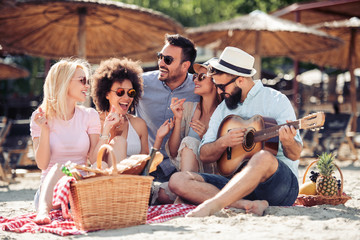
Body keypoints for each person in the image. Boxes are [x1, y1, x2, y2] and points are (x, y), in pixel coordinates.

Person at [169, 47, 303, 217]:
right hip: (236, 184)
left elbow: (295, 154)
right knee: (178, 180)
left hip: (278, 186)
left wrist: (288, 141)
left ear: (240, 80)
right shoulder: (223, 109)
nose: (218, 91)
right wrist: (223, 142)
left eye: (221, 86)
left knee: (262, 157)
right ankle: (245, 204)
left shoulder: (276, 100)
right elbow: (203, 154)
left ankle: (214, 204)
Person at [30, 58, 101, 224]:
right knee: (61, 167)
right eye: (82, 80)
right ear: (64, 82)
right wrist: (45, 130)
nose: (87, 86)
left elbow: (93, 160)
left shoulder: (90, 116)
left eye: (88, 81)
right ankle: (43, 211)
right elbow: (42, 164)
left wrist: (105, 132)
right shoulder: (39, 117)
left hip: (79, 190)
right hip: (50, 194)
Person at [136, 34, 199, 182]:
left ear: (185, 66)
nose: (161, 63)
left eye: (168, 60)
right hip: (147, 163)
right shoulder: (140, 83)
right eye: (160, 57)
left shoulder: (198, 89)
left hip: (181, 166)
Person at [166, 59, 221, 174]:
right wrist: (178, 119)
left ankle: (186, 185)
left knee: (190, 141)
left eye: (201, 77)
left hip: (213, 176)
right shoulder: (187, 108)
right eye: (195, 76)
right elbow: (173, 152)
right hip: (186, 173)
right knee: (161, 191)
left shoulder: (225, 114)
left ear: (215, 81)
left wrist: (206, 137)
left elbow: (226, 159)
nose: (195, 80)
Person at [91, 58, 149, 164]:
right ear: (106, 93)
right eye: (120, 92)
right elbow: (94, 162)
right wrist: (109, 131)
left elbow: (145, 164)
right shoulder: (94, 122)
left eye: (131, 92)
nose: (127, 97)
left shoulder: (139, 124)